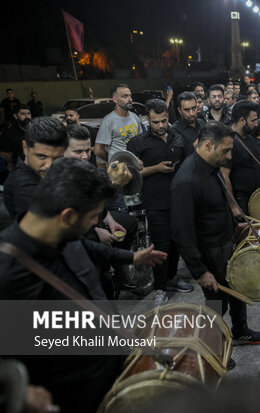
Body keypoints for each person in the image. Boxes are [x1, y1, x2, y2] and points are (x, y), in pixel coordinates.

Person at [0, 157, 166, 413]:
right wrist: (18, 393)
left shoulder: (61, 233)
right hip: (73, 394)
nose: (94, 225)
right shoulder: (8, 272)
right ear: (67, 216)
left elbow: (87, 245)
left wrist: (131, 256)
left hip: (109, 372)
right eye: (92, 217)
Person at [170, 122, 260, 372]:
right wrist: (200, 271)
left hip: (224, 241)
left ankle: (240, 330)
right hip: (209, 250)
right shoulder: (186, 179)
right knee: (216, 301)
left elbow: (214, 206)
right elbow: (182, 233)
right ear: (208, 145)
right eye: (226, 151)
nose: (229, 156)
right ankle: (212, 346)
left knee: (236, 286)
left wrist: (233, 224)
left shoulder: (210, 167)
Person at [127, 99, 192, 305]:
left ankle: (171, 278)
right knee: (161, 244)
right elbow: (130, 174)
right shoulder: (137, 143)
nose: (161, 125)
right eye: (155, 122)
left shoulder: (177, 138)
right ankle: (160, 288)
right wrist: (155, 169)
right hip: (155, 202)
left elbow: (189, 163)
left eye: (164, 120)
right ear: (147, 119)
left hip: (179, 201)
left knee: (176, 244)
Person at [3, 117, 67, 219]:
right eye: (42, 156)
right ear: (25, 147)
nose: (49, 165)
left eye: (57, 158)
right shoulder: (24, 187)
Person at [221, 100, 260, 215]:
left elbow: (258, 165)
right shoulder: (229, 142)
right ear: (242, 120)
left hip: (256, 199)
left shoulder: (249, 136)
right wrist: (234, 206)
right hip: (242, 202)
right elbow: (224, 176)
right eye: (253, 121)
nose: (256, 124)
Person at [94, 84, 143, 162]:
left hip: (134, 165)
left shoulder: (134, 117)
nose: (130, 99)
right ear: (115, 99)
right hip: (118, 169)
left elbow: (140, 140)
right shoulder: (108, 120)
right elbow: (98, 150)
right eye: (125, 96)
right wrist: (112, 160)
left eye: (130, 96)